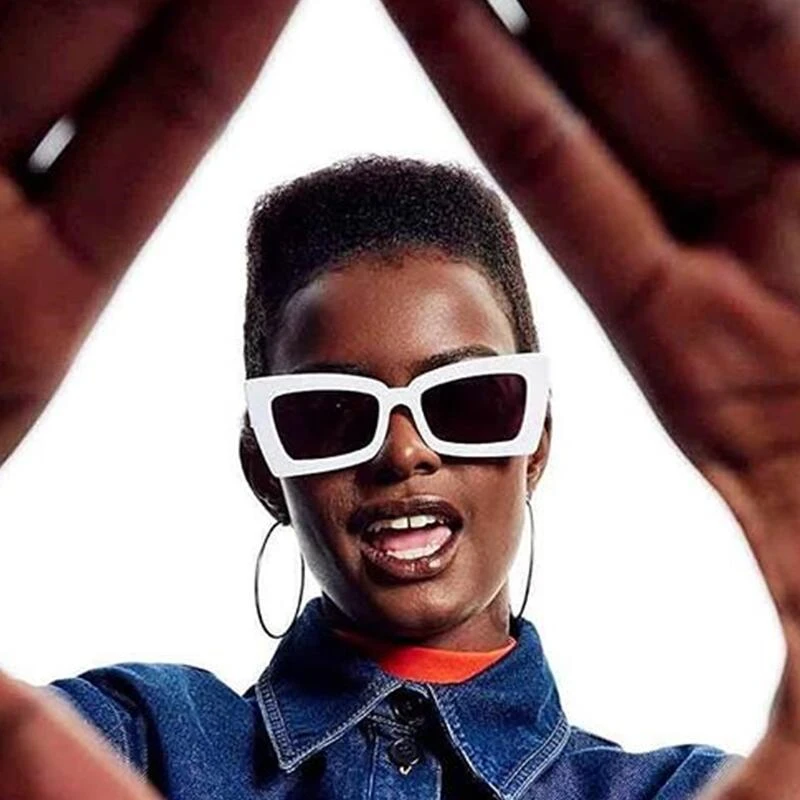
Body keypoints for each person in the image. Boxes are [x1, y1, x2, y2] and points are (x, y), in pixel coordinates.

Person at [2, 1, 800, 799]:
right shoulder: (130, 748)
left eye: (469, 401)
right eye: (330, 415)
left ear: (536, 440)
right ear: (265, 466)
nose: (405, 452)